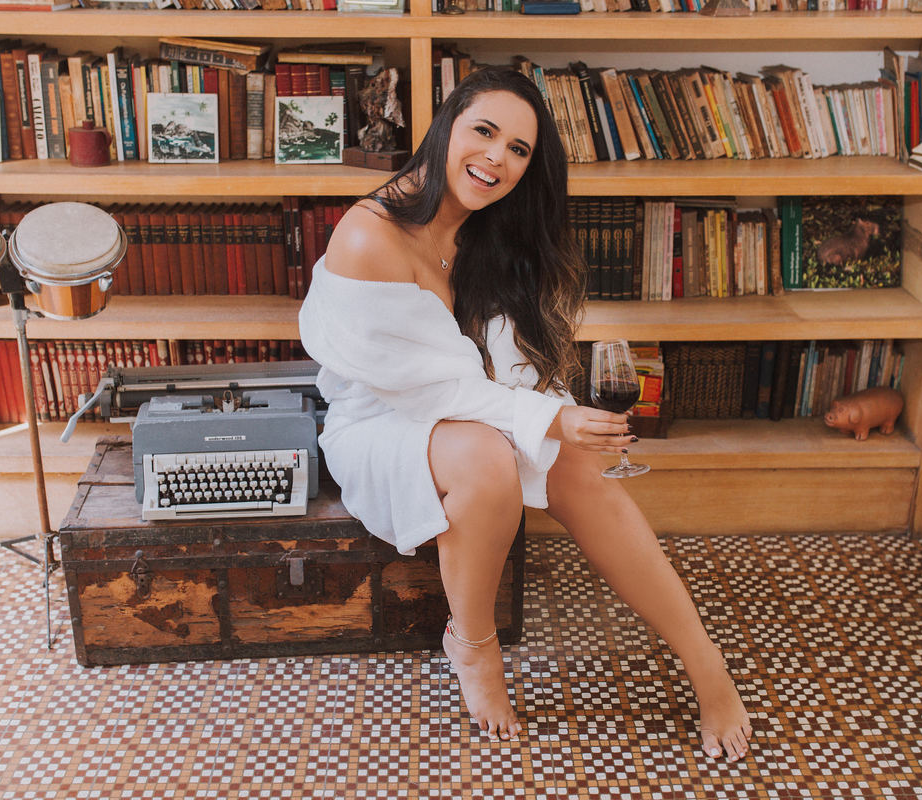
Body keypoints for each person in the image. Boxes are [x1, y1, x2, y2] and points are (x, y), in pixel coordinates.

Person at [298, 67, 752, 761]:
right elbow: (423, 391)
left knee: (580, 469)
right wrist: (547, 420)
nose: (496, 158)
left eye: (518, 149)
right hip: (382, 418)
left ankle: (704, 661)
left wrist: (562, 422)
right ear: (446, 125)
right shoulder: (370, 237)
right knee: (487, 458)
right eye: (484, 131)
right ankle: (472, 645)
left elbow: (505, 365)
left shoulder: (488, 228)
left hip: (470, 401)